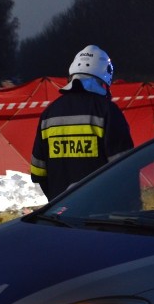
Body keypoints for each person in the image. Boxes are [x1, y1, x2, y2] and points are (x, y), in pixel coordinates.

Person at [30, 45, 133, 201]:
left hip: (58, 214)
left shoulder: (49, 113)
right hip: (100, 214)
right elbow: (125, 169)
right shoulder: (107, 111)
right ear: (104, 76)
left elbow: (38, 171)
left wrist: (55, 200)